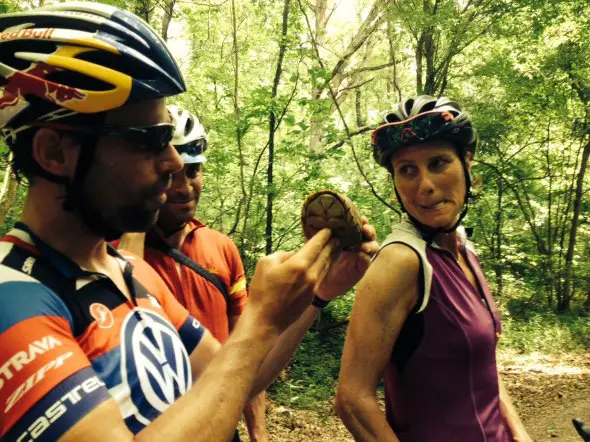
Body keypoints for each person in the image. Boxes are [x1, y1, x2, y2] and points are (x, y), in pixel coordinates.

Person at [0, 3, 378, 441]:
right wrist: (256, 321)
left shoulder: (129, 271)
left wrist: (317, 294)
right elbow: (241, 356)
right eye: (150, 141)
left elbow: (233, 382)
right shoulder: (13, 301)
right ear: (55, 154)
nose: (174, 162)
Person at [335, 96, 531, 442]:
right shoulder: (401, 261)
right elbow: (353, 400)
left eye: (439, 163)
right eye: (407, 170)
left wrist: (520, 434)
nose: (424, 184)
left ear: (467, 165)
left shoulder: (463, 251)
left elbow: (482, 370)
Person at [122, 105, 268, 441]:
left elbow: (242, 347)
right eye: (170, 175)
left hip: (219, 417)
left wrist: (258, 432)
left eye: (193, 171)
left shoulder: (223, 249)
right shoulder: (115, 251)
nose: (184, 187)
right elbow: (126, 304)